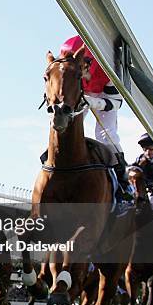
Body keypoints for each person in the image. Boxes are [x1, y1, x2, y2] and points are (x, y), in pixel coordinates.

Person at [60, 36, 130, 192]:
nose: (75, 67)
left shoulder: (109, 71)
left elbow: (116, 104)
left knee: (106, 134)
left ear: (90, 61)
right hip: (82, 91)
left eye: (79, 63)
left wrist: (93, 102)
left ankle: (122, 180)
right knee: (65, 125)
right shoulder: (68, 71)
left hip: (105, 95)